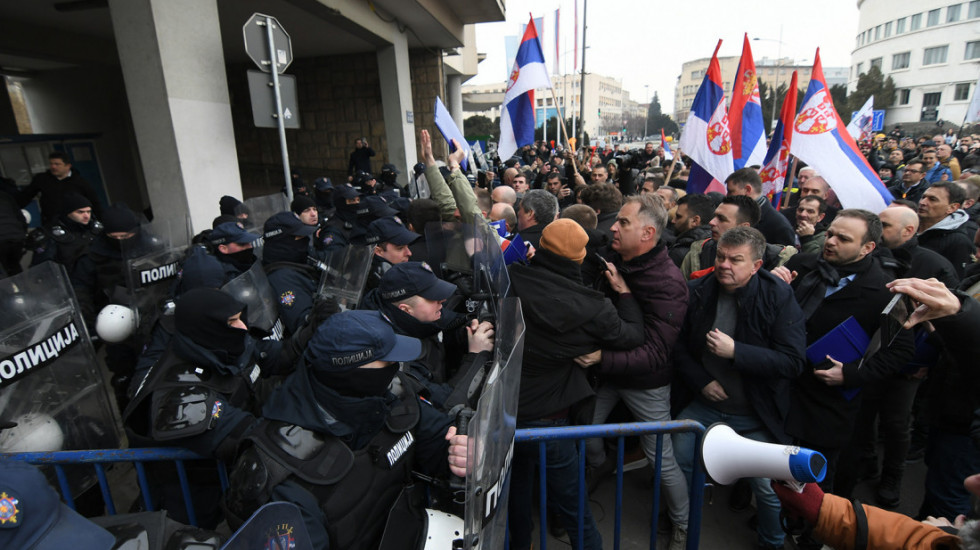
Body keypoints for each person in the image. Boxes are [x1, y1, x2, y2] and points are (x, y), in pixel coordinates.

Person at [223, 310, 469, 550]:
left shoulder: (392, 395)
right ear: (352, 372)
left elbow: (439, 437)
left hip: (415, 529)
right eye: (387, 359)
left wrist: (462, 452)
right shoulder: (279, 473)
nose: (396, 365)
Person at [507, 218, 646, 550]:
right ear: (580, 258)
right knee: (573, 503)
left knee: (517, 492)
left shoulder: (512, 279)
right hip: (550, 420)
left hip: (508, 408)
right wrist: (625, 295)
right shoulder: (593, 305)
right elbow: (631, 336)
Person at [672, 227, 806, 550]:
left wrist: (737, 352)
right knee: (677, 461)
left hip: (756, 413)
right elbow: (677, 346)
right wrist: (701, 381)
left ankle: (772, 542)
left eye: (735, 259)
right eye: (720, 256)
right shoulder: (698, 290)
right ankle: (683, 524)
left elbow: (792, 362)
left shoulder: (777, 295)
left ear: (756, 266)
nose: (724, 265)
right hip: (705, 406)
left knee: (768, 489)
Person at [576, 194, 692, 549]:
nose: (613, 226)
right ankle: (601, 465)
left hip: (644, 383)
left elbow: (656, 352)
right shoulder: (612, 257)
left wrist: (601, 359)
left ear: (647, 233)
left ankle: (684, 524)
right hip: (608, 373)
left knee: (661, 458)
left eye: (623, 222)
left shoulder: (668, 282)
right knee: (584, 430)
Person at [773, 210, 915, 494]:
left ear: (868, 248)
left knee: (813, 475)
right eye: (830, 234)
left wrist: (851, 374)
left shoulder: (885, 292)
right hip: (780, 384)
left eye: (843, 238)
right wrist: (773, 288)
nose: (831, 241)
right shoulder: (802, 264)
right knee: (772, 460)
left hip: (828, 401)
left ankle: (810, 528)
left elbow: (901, 350)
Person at [360, 261, 493, 408]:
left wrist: (470, 329)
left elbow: (450, 321)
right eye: (433, 297)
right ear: (406, 310)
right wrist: (476, 356)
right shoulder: (391, 355)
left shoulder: (396, 307)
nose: (442, 300)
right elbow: (447, 403)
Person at [17, 151, 102, 226]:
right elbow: (25, 196)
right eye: (51, 164)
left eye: (57, 164)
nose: (53, 167)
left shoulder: (80, 182)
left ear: (68, 166)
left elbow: (94, 203)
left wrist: (102, 222)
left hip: (75, 224)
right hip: (51, 223)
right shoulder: (42, 179)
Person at [27, 192, 99, 274]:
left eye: (88, 212)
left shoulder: (96, 230)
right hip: (68, 282)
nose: (86, 216)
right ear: (68, 213)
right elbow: (42, 269)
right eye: (80, 212)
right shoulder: (52, 235)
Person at [916, 182, 975, 278]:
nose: (922, 202)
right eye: (923, 197)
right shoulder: (909, 226)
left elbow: (955, 281)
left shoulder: (958, 241)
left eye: (932, 199)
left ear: (952, 207)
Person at [726, 168, 795, 246]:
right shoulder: (735, 213)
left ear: (747, 190)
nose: (728, 196)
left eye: (731, 191)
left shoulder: (779, 226)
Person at [667, 193, 713, 267]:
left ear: (695, 221)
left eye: (678, 217)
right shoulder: (711, 248)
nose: (673, 221)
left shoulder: (679, 253)